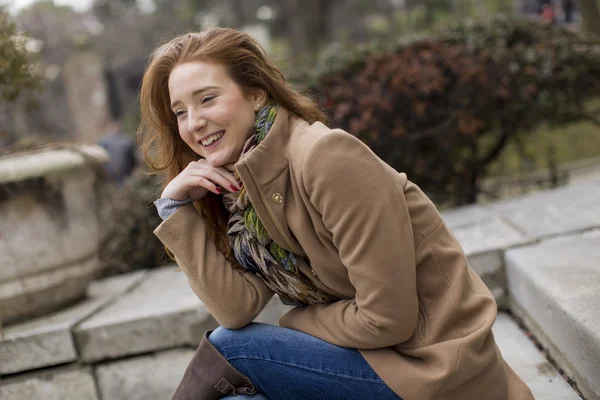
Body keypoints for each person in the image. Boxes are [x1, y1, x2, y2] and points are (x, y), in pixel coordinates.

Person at [137, 28, 534, 400]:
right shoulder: (241, 193)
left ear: (256, 94)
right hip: (374, 361)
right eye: (180, 112)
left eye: (207, 99)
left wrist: (296, 323)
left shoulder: (326, 158)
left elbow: (387, 319)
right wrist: (175, 208)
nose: (194, 123)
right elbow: (237, 308)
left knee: (229, 347)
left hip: (433, 368)